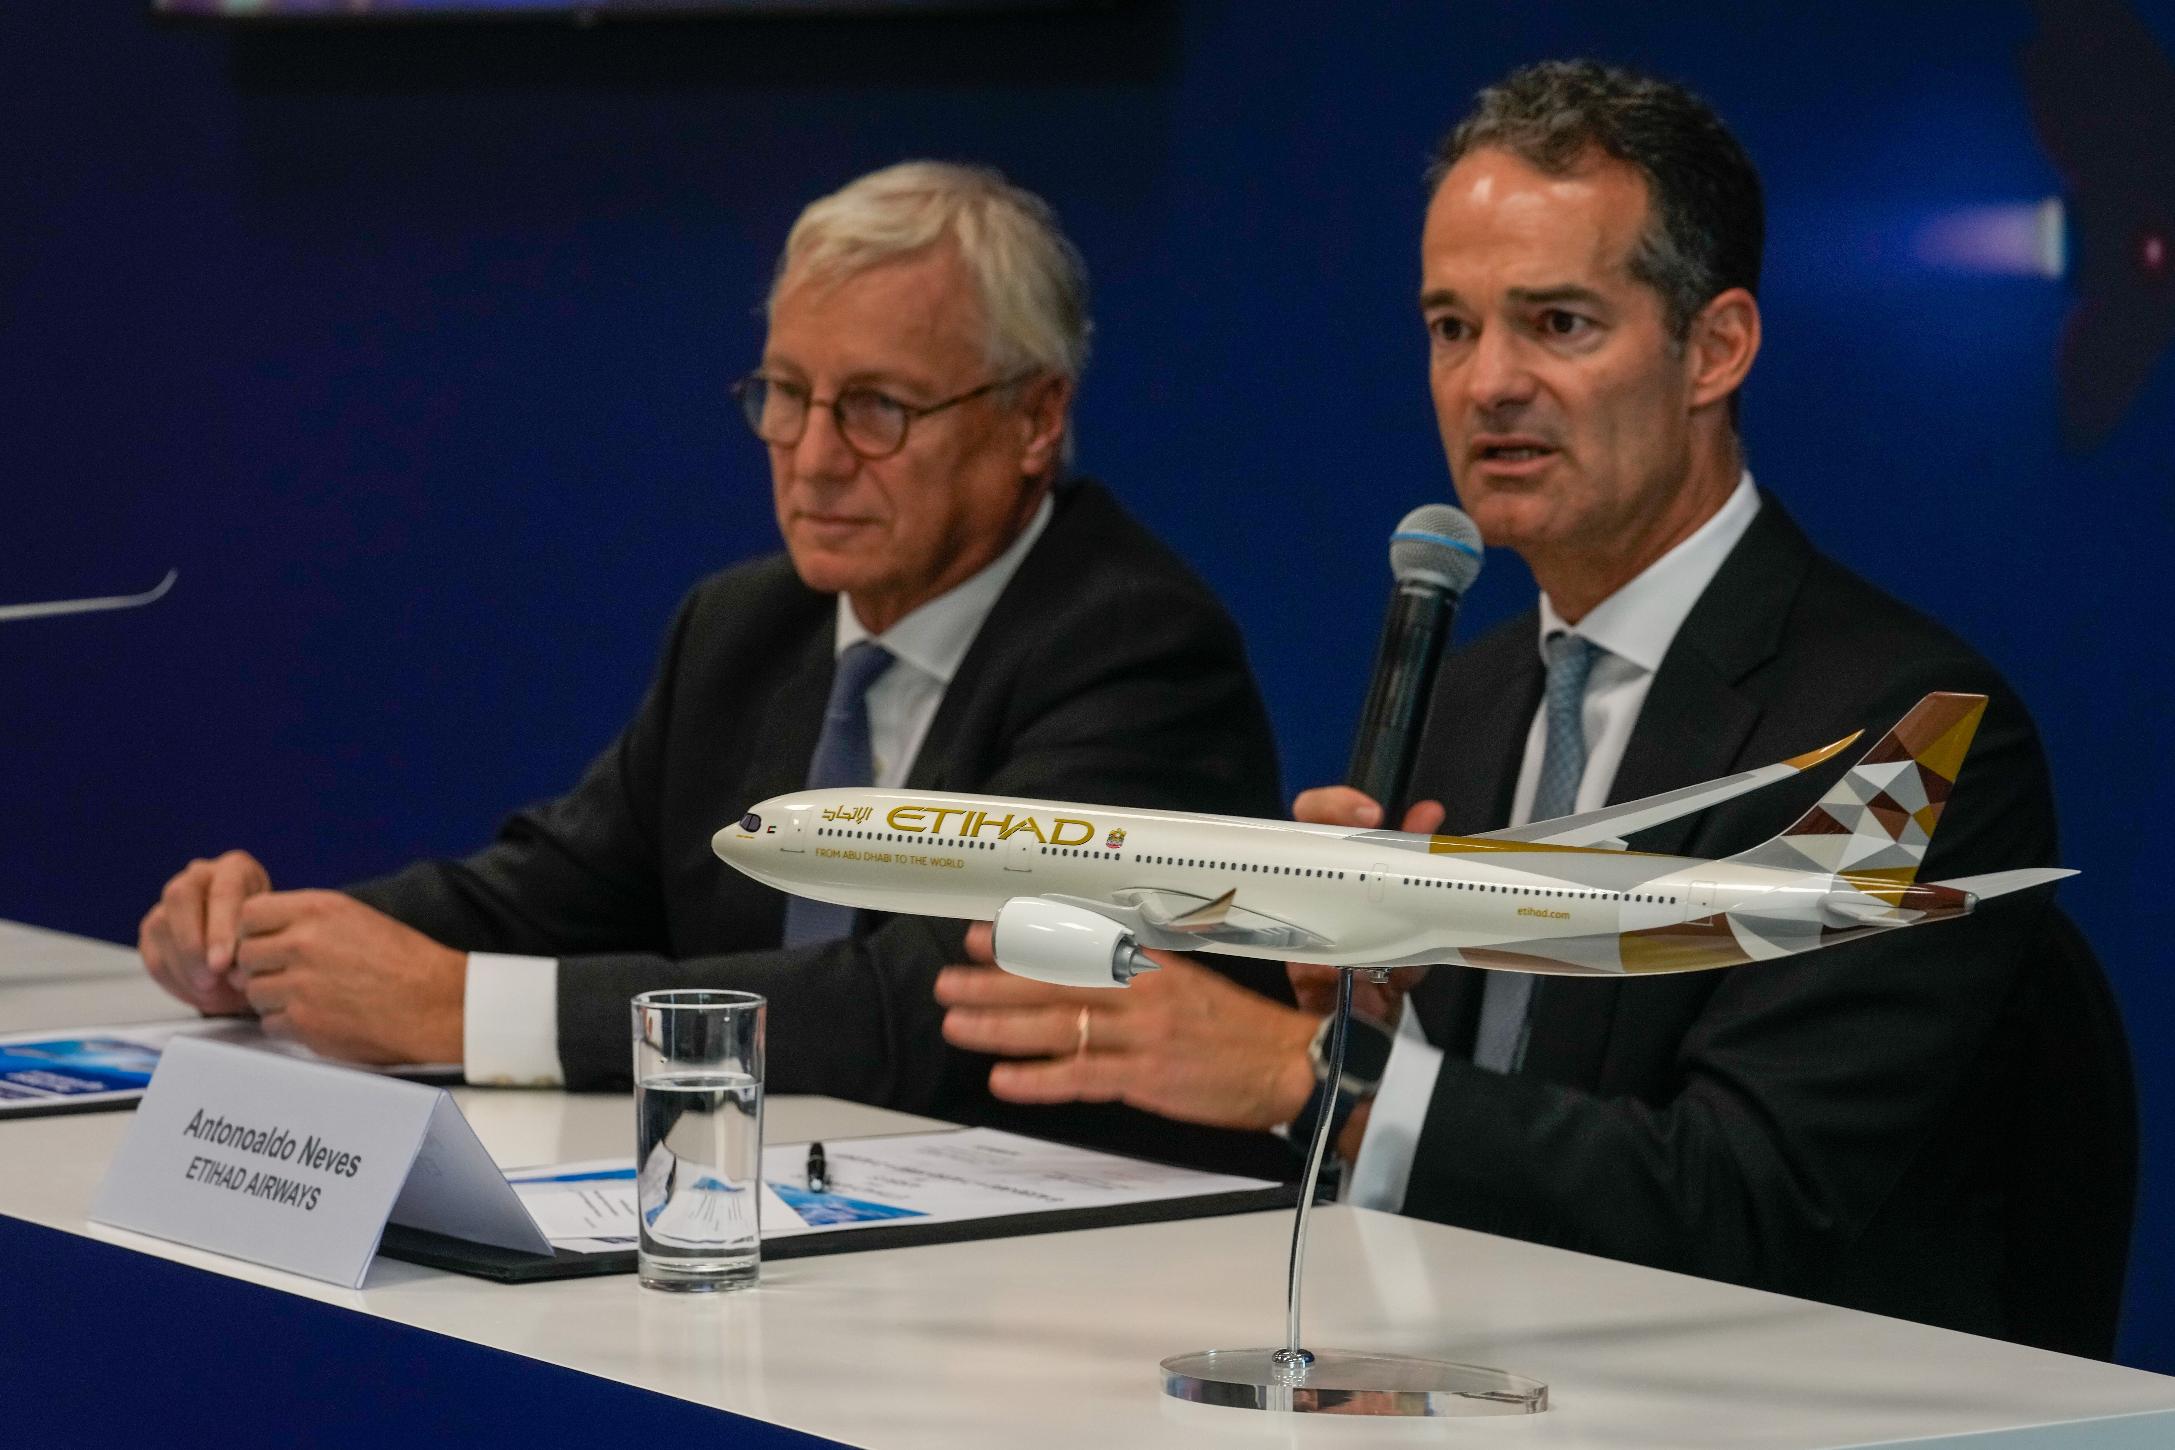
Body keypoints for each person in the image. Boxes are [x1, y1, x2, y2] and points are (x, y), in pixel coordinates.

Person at [935, 62, 2072, 1339]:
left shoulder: (1907, 733)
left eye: (1559, 323)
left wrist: (1323, 1083)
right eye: (1452, 326)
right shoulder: (1471, 703)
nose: (1488, 384)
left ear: (1717, 347)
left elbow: (1752, 1198)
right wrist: (1372, 1022)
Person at [138, 161, 1292, 1173]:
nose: (815, 459)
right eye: (786, 395)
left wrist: (455, 1008)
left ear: (1034, 419)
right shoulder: (747, 626)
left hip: (1085, 1260)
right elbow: (550, 888)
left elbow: (925, 1005)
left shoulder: (1134, 646)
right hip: (777, 1209)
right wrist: (276, 942)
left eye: (877, 408)